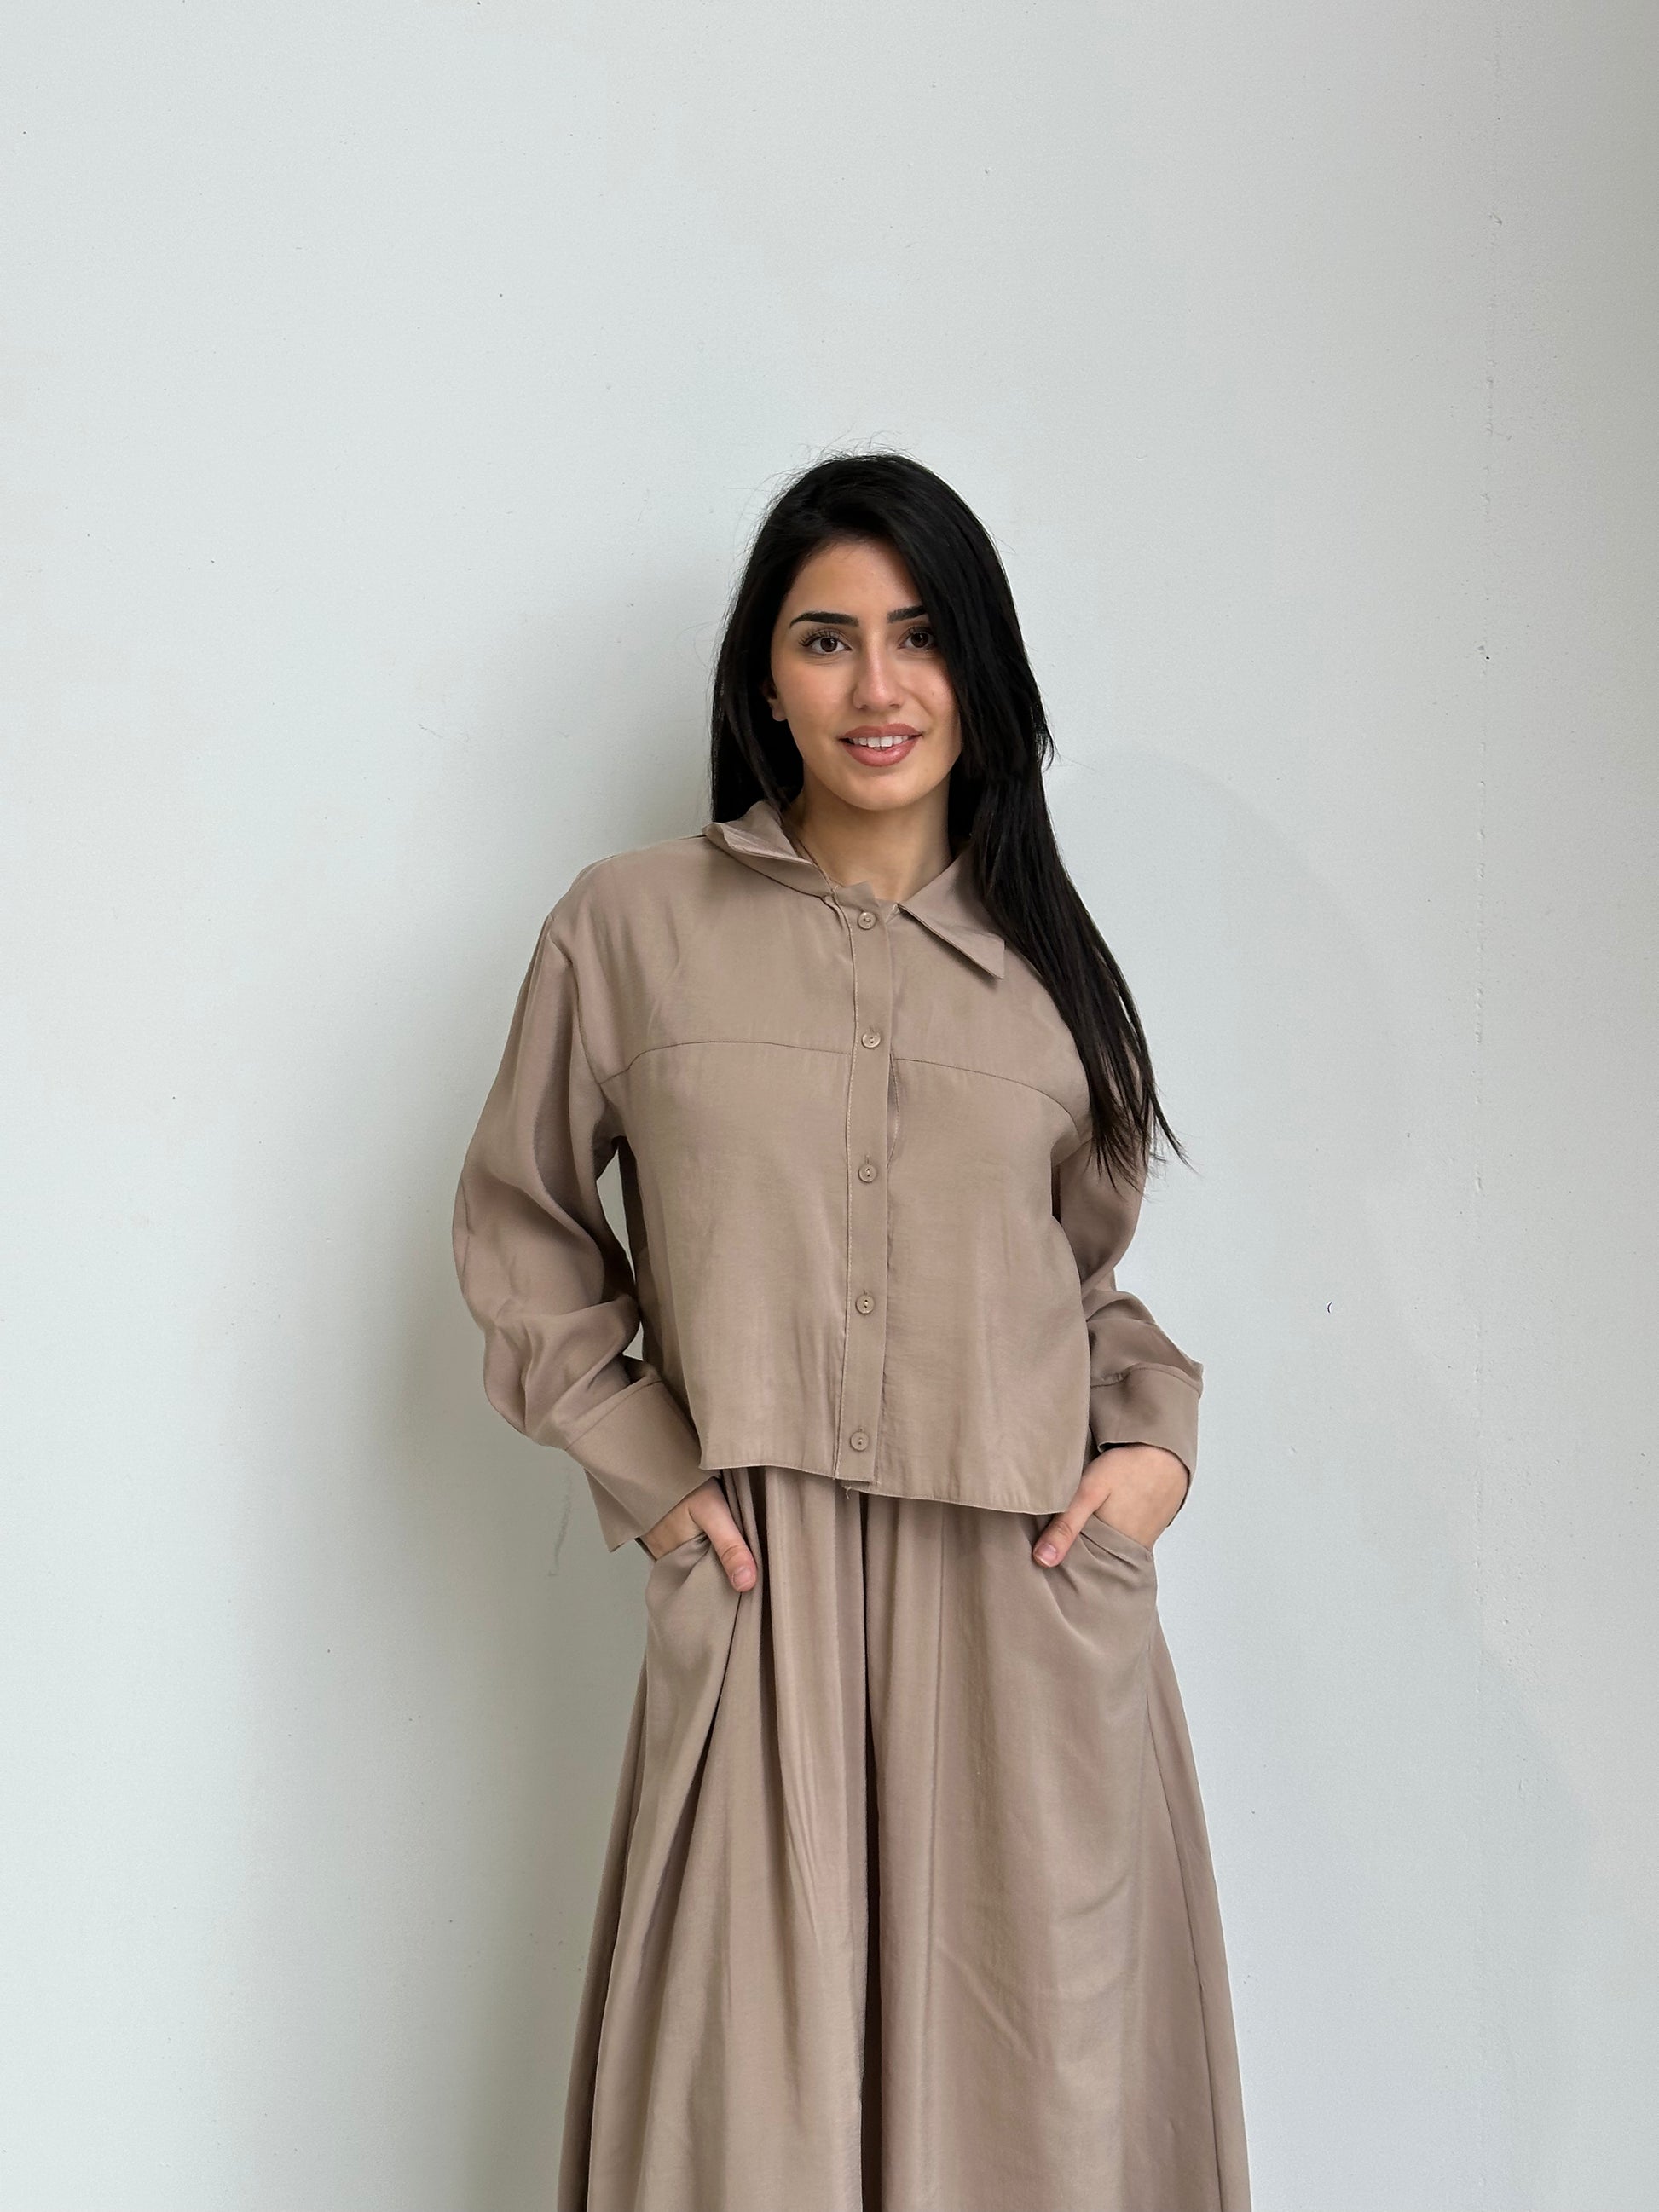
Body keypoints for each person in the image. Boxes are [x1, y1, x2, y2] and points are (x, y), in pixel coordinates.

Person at [451, 452, 1251, 2211]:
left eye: (920, 635)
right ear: (764, 676)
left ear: (980, 670)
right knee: (747, 2124)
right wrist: (659, 1482)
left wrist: (1149, 1451)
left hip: (1022, 1597)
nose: (877, 686)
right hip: (764, 1591)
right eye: (826, 639)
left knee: (1030, 2121)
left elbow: (1079, 1289)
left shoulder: (1050, 975)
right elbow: (522, 1230)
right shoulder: (629, 927)